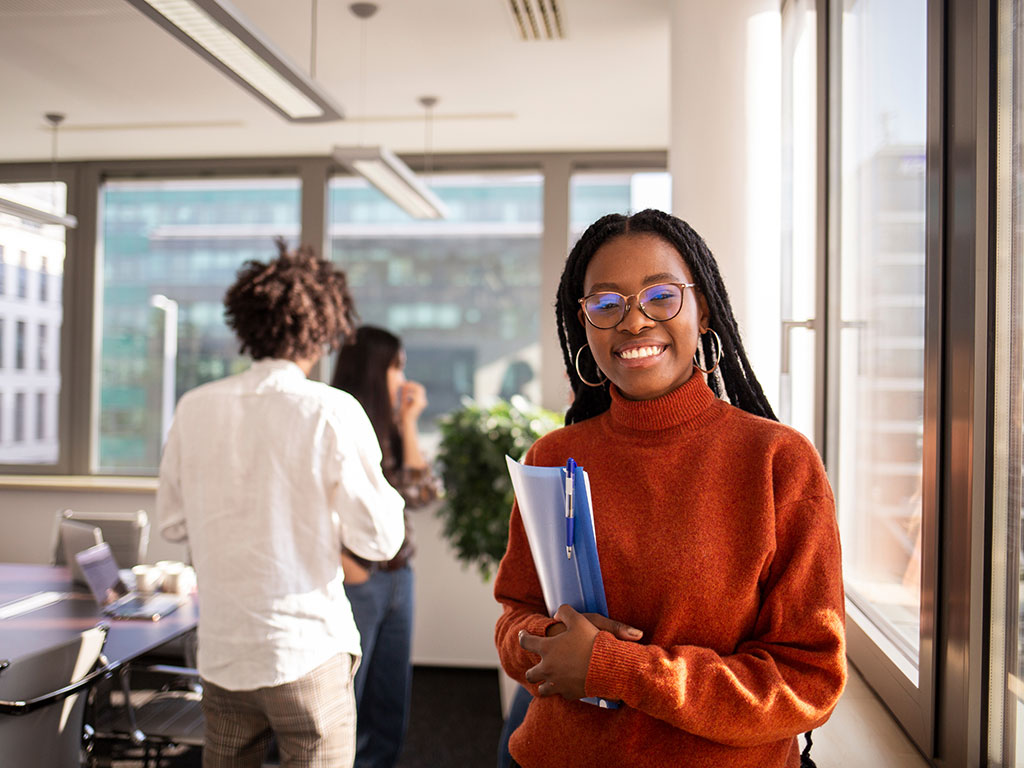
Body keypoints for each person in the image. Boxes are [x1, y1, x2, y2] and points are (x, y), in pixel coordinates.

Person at [493, 209, 846, 768]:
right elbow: (516, 616)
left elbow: (808, 680)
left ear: (702, 309)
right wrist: (548, 641)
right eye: (606, 304)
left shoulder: (778, 461)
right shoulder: (554, 457)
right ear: (583, 323)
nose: (633, 323)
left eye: (660, 296)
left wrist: (615, 667)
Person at [157, 243, 407, 768]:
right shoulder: (332, 410)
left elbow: (173, 525)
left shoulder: (194, 408)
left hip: (224, 653)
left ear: (244, 324)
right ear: (323, 330)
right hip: (306, 651)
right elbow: (381, 539)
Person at [331, 326, 440, 768]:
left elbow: (423, 495)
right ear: (375, 369)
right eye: (397, 367)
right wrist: (347, 565)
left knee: (390, 697)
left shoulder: (391, 425)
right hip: (357, 579)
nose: (403, 378)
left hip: (399, 576)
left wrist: (408, 425)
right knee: (345, 699)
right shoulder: (335, 420)